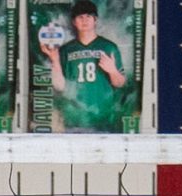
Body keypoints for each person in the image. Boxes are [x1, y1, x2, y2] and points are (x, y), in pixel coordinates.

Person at [42, 1, 127, 132]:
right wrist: (55, 60)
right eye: (80, 17)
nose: (84, 20)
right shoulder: (65, 50)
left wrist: (112, 71)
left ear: (95, 20)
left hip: (103, 119)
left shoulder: (109, 47)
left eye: (88, 16)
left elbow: (119, 83)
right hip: (74, 120)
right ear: (74, 22)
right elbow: (60, 86)